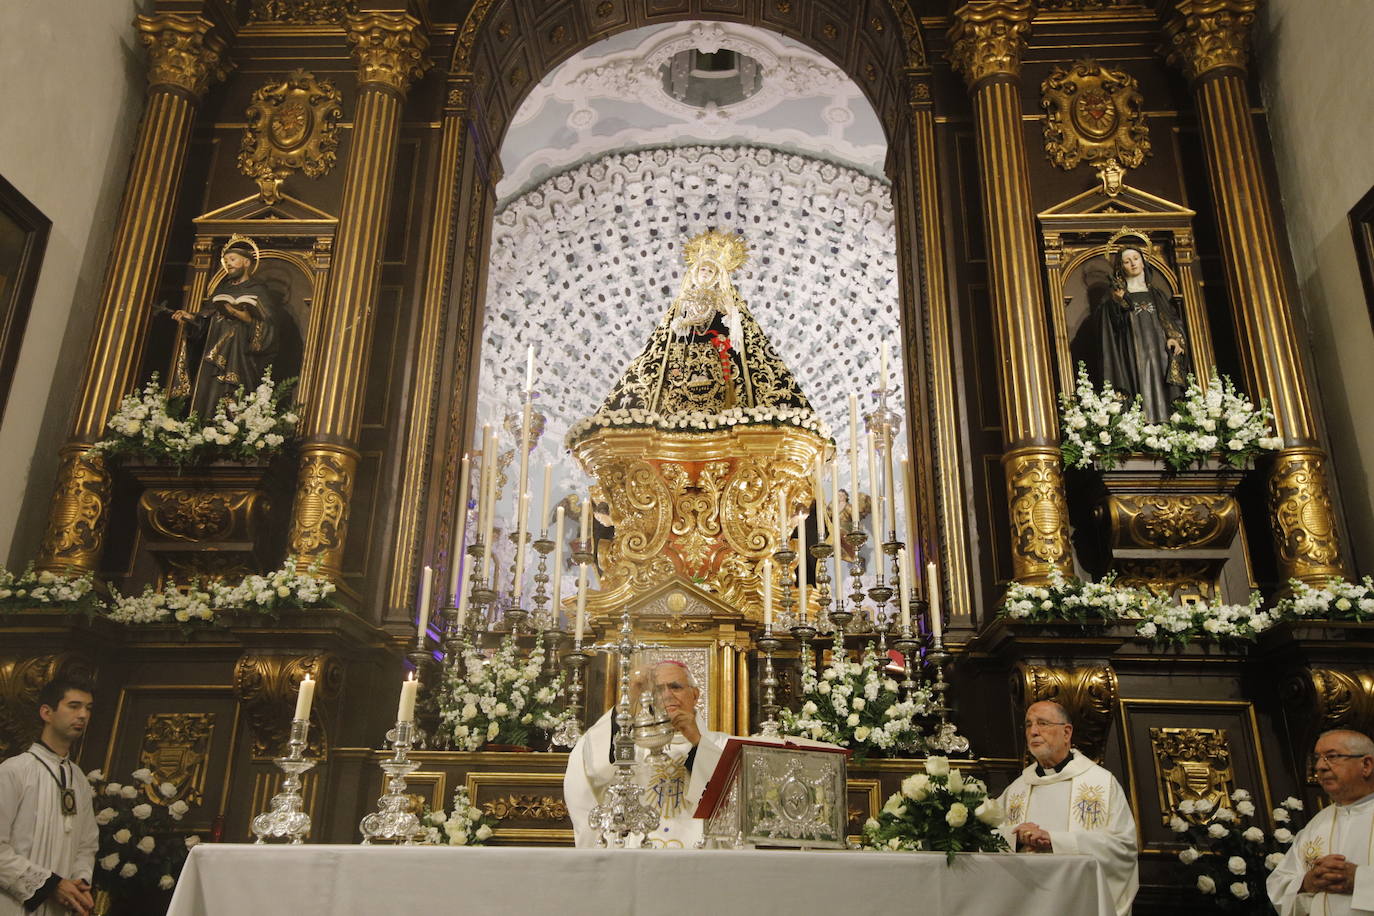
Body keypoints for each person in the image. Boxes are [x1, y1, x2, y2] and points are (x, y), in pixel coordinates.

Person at [564, 660, 728, 848]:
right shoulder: (631, 746)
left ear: (695, 694)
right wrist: (628, 701)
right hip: (638, 852)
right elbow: (592, 768)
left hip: (700, 854)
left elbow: (730, 798)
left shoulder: (721, 744)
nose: (667, 695)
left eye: (675, 687)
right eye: (658, 690)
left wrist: (697, 740)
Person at [997, 700, 1139, 916]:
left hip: (1078, 903)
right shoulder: (1017, 789)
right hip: (1025, 902)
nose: (1033, 731)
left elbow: (1123, 847)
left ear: (1066, 732)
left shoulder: (1101, 783)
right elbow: (987, 839)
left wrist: (1054, 841)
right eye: (1028, 725)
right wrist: (1016, 838)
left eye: (1042, 723)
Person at [0, 677, 99, 916]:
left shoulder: (79, 780)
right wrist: (49, 885)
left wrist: (79, 882)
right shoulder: (14, 771)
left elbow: (87, 844)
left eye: (88, 708)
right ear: (47, 712)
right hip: (13, 905)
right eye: (74, 706)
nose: (83, 715)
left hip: (61, 907)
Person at [171, 234, 281, 421]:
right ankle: (202, 421)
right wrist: (192, 318)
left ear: (246, 262)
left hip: (240, 355)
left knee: (234, 391)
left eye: (233, 260)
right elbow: (205, 321)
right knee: (209, 391)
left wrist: (246, 319)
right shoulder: (222, 290)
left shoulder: (259, 289)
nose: (228, 264)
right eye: (226, 261)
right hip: (212, 352)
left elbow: (270, 327)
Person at [1267, 729, 1374, 915]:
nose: (1319, 767)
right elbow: (1279, 886)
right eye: (1317, 758)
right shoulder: (1317, 824)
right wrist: (1307, 883)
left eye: (1331, 756)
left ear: (1366, 765)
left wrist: (1360, 879)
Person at [1097, 242, 1190, 423]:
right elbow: (1112, 328)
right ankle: (1141, 423)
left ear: (1143, 261)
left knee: (1163, 383)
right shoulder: (1116, 296)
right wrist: (1118, 302)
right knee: (1139, 382)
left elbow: (1170, 321)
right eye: (1127, 261)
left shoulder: (1156, 294)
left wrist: (1173, 338)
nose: (1132, 263)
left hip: (1160, 350)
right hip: (1133, 350)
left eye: (1136, 258)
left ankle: (1167, 421)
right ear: (1120, 267)